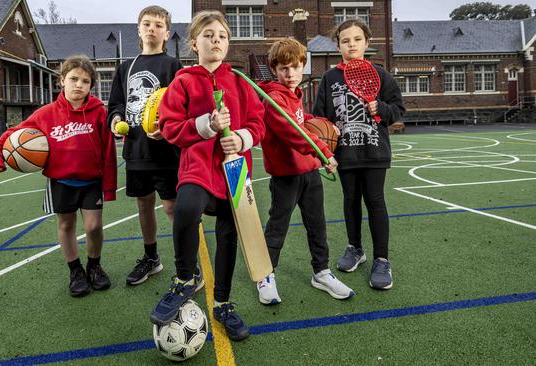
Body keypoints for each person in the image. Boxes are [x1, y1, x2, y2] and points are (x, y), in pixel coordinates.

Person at [149, 10, 265, 341]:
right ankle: (185, 278)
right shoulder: (183, 82)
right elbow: (170, 128)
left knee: (229, 233)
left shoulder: (242, 82)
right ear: (194, 42)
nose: (216, 40)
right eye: (209, 34)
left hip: (234, 169)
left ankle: (223, 302)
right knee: (185, 210)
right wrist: (206, 126)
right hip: (198, 167)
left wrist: (240, 138)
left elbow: (259, 125)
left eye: (222, 36)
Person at [0, 55, 117, 297]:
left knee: (94, 226)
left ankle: (94, 266)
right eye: (74, 79)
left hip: (91, 182)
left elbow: (109, 152)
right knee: (66, 225)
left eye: (85, 81)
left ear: (91, 85)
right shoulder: (45, 114)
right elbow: (13, 133)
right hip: (61, 181)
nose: (79, 85)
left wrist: (109, 188)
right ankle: (75, 270)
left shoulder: (100, 113)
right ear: (61, 81)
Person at [256, 38, 354, 305]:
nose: (290, 74)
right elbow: (292, 132)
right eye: (284, 68)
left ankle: (321, 271)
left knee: (317, 225)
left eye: (295, 67)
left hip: (309, 173)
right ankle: (265, 275)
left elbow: (301, 120)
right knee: (278, 227)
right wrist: (324, 151)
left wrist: (320, 122)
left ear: (303, 67)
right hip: (285, 176)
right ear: (274, 69)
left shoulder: (295, 94)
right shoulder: (274, 99)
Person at [312, 19, 405, 290]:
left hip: (374, 151)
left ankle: (382, 259)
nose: (351, 44)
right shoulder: (330, 78)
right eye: (345, 40)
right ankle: (355, 248)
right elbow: (320, 118)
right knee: (350, 200)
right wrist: (325, 150)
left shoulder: (380, 74)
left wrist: (381, 108)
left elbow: (398, 109)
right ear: (338, 45)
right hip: (345, 153)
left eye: (356, 39)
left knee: (375, 201)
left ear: (367, 42)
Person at [107, 6, 184, 286]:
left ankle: (185, 264)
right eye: (146, 23)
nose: (152, 28)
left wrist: (167, 128)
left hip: (166, 152)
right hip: (136, 151)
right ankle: (152, 258)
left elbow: (181, 106)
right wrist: (115, 121)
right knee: (144, 205)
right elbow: (116, 104)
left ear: (166, 32)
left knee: (172, 208)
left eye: (158, 25)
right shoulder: (126, 67)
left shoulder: (173, 66)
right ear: (138, 29)